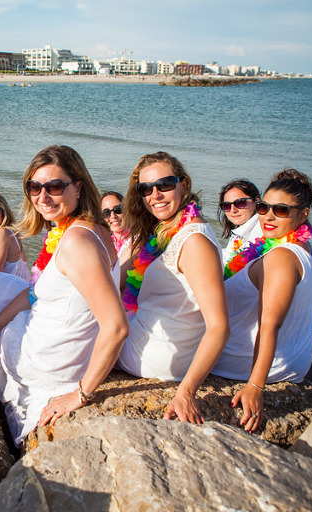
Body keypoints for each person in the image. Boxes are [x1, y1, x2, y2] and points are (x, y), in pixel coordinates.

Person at [0, 145, 128, 446]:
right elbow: (34, 292)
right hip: (54, 335)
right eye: (34, 187)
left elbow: (117, 327)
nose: (43, 197)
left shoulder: (77, 242)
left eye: (54, 186)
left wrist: (81, 395)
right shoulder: (87, 228)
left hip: (47, 358)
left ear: (78, 186)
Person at [116, 151, 229, 423]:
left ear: (185, 185)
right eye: (145, 189)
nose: (154, 195)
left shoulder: (194, 243)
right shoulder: (171, 230)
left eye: (164, 185)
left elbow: (220, 327)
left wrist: (186, 392)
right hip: (150, 334)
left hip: (158, 353)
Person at [213, 169, 312, 433]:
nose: (268, 216)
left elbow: (269, 326)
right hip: (294, 358)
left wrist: (255, 386)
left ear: (303, 213)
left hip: (246, 360)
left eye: (281, 210)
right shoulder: (300, 247)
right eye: (264, 207)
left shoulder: (281, 258)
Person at [218, 179, 262, 265]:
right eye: (226, 206)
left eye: (240, 203)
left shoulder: (261, 232)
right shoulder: (240, 231)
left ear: (256, 202)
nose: (233, 210)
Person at [101, 190, 133, 268]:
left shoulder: (140, 239)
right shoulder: (103, 245)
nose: (113, 216)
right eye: (106, 212)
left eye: (118, 209)